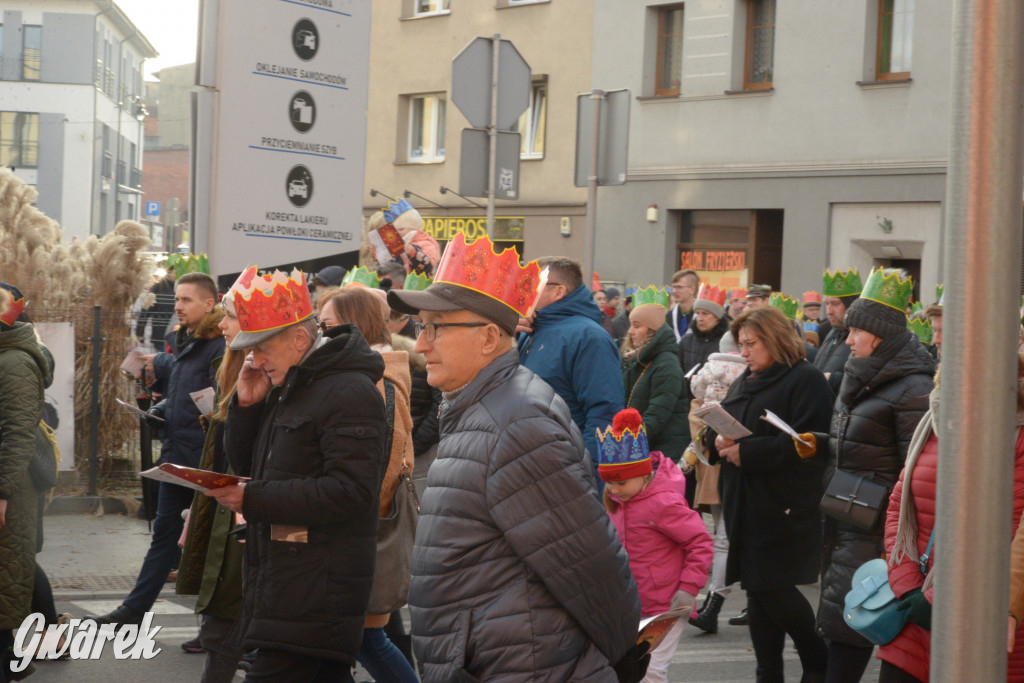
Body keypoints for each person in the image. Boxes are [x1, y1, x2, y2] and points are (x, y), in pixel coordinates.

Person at [387, 234, 647, 682]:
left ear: (489, 337)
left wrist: (623, 656)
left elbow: (588, 562)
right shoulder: (482, 407)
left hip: (521, 663)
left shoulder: (516, 424)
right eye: (420, 328)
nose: (422, 344)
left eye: (436, 328)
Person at [207, 268, 388, 682]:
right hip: (291, 583)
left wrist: (253, 499)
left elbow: (352, 492)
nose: (253, 359)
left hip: (315, 588)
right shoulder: (295, 382)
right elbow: (250, 466)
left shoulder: (347, 391)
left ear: (301, 340)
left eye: (262, 348)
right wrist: (247, 407)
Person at [808, 268, 935, 683]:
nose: (846, 341)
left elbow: (917, 471)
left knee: (855, 635)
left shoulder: (912, 387)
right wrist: (821, 442)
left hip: (878, 536)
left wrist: (894, 546)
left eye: (855, 333)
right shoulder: (863, 376)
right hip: (849, 524)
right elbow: (866, 448)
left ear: (877, 334)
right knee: (844, 633)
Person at [700, 306, 833, 682]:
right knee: (757, 593)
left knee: (770, 587)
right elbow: (724, 420)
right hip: (745, 501)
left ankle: (816, 658)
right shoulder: (748, 377)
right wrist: (716, 437)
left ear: (775, 340)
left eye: (751, 344)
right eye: (741, 344)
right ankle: (768, 673)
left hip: (782, 504)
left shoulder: (805, 380)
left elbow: (812, 445)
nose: (744, 352)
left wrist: (748, 452)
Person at [96, 272, 226, 627]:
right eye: (178, 299)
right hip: (178, 457)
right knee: (164, 538)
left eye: (186, 300)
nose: (178, 306)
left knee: (216, 546)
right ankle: (133, 611)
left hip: (206, 462)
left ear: (209, 304)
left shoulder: (219, 345)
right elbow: (185, 393)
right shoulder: (186, 340)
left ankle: (220, 629)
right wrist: (161, 410)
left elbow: (218, 403)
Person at [882, 360, 1024, 682]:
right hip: (916, 608)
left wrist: (939, 598)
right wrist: (907, 587)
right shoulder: (933, 423)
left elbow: (1007, 535)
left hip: (981, 613)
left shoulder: (1018, 438)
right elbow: (898, 507)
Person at [318, 287, 419, 683]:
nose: (319, 333)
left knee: (368, 639)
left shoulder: (378, 380)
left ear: (355, 325)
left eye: (326, 325)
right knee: (362, 639)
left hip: (363, 534)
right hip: (357, 533)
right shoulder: (367, 374)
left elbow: (386, 469)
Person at [173, 270, 250, 680]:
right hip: (221, 508)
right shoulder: (228, 364)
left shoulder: (264, 376)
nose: (222, 322)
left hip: (243, 518)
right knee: (221, 631)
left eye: (232, 316)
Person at [598, 408, 713, 683]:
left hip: (667, 605)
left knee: (650, 672)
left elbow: (700, 542)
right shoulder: (617, 499)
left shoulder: (663, 503)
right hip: (633, 603)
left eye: (621, 482)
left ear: (642, 474)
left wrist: (687, 590)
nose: (614, 490)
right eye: (609, 483)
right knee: (632, 670)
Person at [517, 257, 624, 484]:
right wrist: (506, 338)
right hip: (527, 466)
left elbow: (604, 413)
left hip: (563, 473)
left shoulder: (589, 338)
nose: (524, 289)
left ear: (558, 292)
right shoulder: (527, 331)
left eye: (532, 284)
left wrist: (586, 476)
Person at [0, 285, 48, 681]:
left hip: (10, 490)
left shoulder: (15, 360)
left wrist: (1, 492)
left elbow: (17, 433)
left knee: (10, 576)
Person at [686, 333, 747, 634]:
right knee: (729, 535)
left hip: (715, 455)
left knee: (725, 535)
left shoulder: (708, 371)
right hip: (736, 453)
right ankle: (718, 602)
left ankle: (716, 602)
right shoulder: (750, 373)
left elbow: (694, 394)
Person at [622, 287, 689, 466]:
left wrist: (629, 442)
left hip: (663, 452)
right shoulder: (637, 359)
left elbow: (657, 414)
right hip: (645, 446)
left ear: (652, 330)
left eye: (637, 326)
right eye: (630, 325)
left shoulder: (666, 363)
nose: (630, 331)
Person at [815, 268, 863, 395]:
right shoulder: (831, 331)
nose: (828, 311)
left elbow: (865, 381)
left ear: (851, 304)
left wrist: (833, 380)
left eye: (835, 304)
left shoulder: (864, 337)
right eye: (827, 304)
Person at [678, 283, 731, 387]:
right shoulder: (686, 341)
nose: (700, 318)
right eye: (698, 313)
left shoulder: (726, 342)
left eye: (705, 314)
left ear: (717, 317)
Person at [135, 265, 177, 347]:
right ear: (170, 272)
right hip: (161, 334)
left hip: (177, 333)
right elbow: (146, 309)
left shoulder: (180, 287)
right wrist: (140, 332)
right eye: (176, 272)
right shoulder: (158, 288)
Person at [668, 270, 699, 342]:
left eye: (679, 287)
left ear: (692, 290)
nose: (675, 291)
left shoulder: (700, 315)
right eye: (674, 287)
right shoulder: (670, 315)